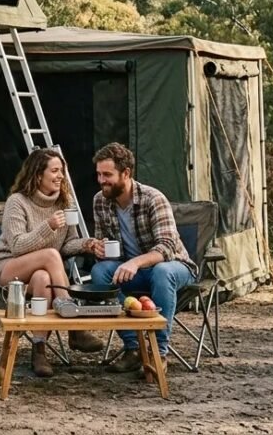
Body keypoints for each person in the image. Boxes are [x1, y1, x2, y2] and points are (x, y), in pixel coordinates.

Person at [0, 148, 104, 377]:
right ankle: (74, 328)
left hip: (39, 272)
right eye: (55, 170)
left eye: (62, 170)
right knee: (51, 255)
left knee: (43, 276)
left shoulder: (64, 202)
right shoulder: (17, 202)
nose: (61, 175)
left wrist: (86, 244)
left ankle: (39, 350)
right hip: (7, 267)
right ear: (38, 174)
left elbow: (67, 244)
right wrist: (48, 226)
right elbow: (17, 246)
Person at [88, 142, 197, 375]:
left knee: (162, 271)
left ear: (126, 173)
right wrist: (99, 248)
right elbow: (104, 243)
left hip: (174, 267)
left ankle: (159, 353)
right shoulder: (100, 200)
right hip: (132, 272)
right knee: (99, 272)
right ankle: (134, 348)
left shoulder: (152, 198)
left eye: (107, 175)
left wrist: (135, 262)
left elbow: (167, 247)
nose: (101, 180)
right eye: (98, 174)